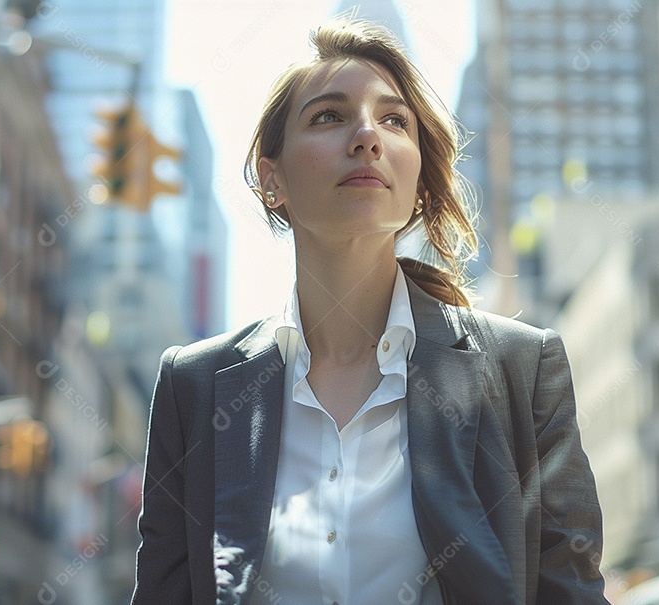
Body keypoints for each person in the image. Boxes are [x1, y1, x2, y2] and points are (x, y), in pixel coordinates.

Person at [131, 18, 609, 605]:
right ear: (271, 176)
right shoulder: (195, 386)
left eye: (393, 120)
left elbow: (570, 591)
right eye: (329, 116)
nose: (367, 137)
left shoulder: (522, 369)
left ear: (420, 183)